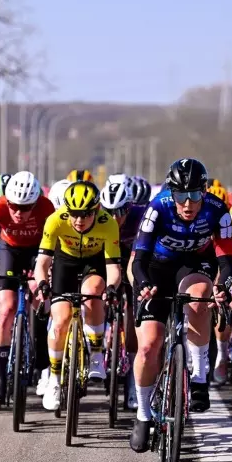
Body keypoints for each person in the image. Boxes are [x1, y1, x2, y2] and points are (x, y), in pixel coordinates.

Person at [129, 158, 232, 453]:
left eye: (194, 196)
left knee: (200, 299)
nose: (187, 204)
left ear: (204, 191)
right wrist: (144, 284)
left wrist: (222, 286)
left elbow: (226, 263)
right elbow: (138, 260)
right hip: (156, 267)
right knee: (149, 346)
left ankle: (199, 378)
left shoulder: (217, 210)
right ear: (170, 193)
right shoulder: (157, 207)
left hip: (194, 264)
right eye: (180, 196)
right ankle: (143, 416)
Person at [34, 181, 122, 411]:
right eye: (74, 214)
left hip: (94, 263)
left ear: (96, 210)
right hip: (66, 262)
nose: (79, 220)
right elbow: (42, 262)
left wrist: (111, 287)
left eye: (85, 214)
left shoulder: (108, 223)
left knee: (92, 293)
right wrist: (43, 282)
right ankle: (54, 379)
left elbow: (113, 268)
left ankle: (95, 355)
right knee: (60, 321)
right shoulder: (55, 220)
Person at [0, 171, 53, 404]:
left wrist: (44, 273)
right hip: (8, 251)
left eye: (26, 207)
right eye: (14, 206)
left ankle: (43, 360)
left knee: (42, 300)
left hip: (37, 252)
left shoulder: (46, 207)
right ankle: (0, 378)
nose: (18, 213)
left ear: (36, 202)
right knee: (7, 309)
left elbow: (53, 245)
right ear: (7, 200)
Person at [100, 174, 142, 409]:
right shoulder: (98, 218)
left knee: (133, 309)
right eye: (109, 212)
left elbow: (138, 259)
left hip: (133, 259)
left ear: (129, 207)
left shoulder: (139, 216)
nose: (115, 218)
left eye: (120, 212)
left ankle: (134, 381)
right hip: (108, 259)